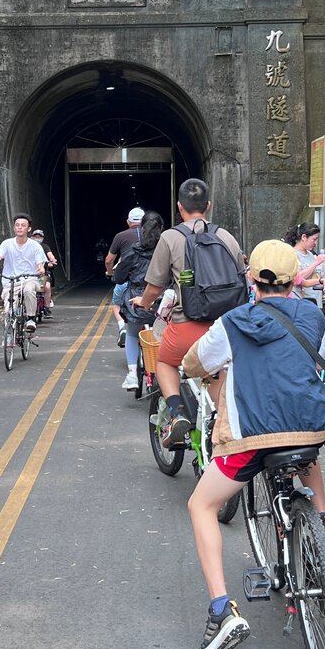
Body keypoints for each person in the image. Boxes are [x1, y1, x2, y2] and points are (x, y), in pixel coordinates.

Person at [183, 240, 325, 649]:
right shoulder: (312, 316)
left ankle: (221, 611)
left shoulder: (235, 322)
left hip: (254, 435)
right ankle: (324, 524)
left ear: (251, 278)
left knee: (201, 505)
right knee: (306, 453)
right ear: (295, 280)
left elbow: (194, 363)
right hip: (310, 428)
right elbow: (318, 356)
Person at [131, 178, 246, 448]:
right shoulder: (226, 236)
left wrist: (144, 304)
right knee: (217, 371)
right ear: (208, 205)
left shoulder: (171, 237)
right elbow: (242, 276)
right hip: (225, 328)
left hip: (187, 326)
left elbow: (155, 285)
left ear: (179, 207)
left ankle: (178, 413)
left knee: (164, 362)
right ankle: (221, 426)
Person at [114, 211, 163, 391]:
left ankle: (132, 374)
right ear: (161, 229)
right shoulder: (167, 250)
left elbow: (118, 277)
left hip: (137, 299)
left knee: (133, 334)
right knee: (165, 336)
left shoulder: (133, 251)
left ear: (142, 229)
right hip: (161, 300)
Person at [0, 215, 46, 332]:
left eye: (23, 225)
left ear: (28, 229)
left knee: (29, 291)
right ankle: (9, 334)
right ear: (14, 228)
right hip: (11, 280)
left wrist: (41, 269)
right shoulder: (7, 244)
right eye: (17, 225)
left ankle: (31, 319)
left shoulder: (35, 246)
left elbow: (40, 264)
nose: (20, 228)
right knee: (9, 310)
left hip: (30, 278)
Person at [105, 207, 145, 347]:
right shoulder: (155, 236)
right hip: (150, 283)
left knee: (117, 305)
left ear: (128, 222)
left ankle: (122, 327)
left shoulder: (121, 236)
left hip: (127, 281)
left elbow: (109, 260)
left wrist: (110, 273)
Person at [285, 223, 325, 306]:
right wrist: (316, 263)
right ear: (304, 237)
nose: (316, 243)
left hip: (316, 302)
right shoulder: (292, 254)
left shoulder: (311, 254)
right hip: (302, 303)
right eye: (314, 239)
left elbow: (315, 276)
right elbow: (298, 278)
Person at [31, 228, 57, 314]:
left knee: (47, 287)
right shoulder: (28, 246)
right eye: (35, 236)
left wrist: (52, 261)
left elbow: (50, 255)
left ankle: (46, 307)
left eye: (39, 236)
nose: (37, 238)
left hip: (41, 274)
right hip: (28, 274)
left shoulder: (44, 247)